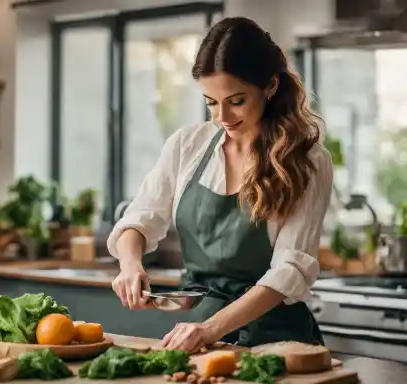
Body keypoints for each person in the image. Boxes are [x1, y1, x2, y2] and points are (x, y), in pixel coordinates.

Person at [108, 17, 333, 353]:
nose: (222, 117)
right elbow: (139, 219)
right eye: (211, 102)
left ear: (270, 86)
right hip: (201, 342)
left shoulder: (307, 160)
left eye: (236, 100)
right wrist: (130, 265)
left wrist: (210, 328)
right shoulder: (188, 145)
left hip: (276, 344)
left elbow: (290, 270)